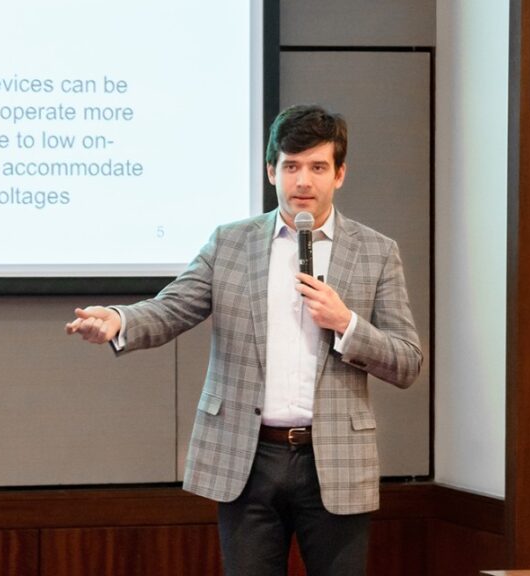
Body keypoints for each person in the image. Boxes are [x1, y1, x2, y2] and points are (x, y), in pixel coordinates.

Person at [65, 104, 422, 575]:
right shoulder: (230, 243)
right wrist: (117, 319)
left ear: (340, 175)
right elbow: (172, 307)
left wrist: (346, 322)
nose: (302, 182)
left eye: (317, 168)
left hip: (334, 459)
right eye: (291, 166)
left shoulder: (376, 251)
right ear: (271, 169)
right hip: (248, 457)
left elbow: (407, 360)